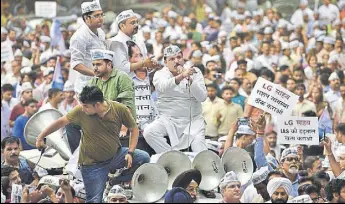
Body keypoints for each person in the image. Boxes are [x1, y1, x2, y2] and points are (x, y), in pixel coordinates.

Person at [35, 86, 150, 202]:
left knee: (143, 157)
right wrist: (40, 137)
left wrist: (130, 152)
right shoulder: (80, 110)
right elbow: (60, 122)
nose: (83, 108)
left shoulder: (119, 109)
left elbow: (133, 128)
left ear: (97, 104)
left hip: (116, 155)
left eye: (86, 106)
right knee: (94, 200)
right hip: (92, 165)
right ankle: (106, 181)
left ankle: (114, 181)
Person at [143, 45, 208, 153]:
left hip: (193, 121)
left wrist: (189, 79)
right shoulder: (160, 74)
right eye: (172, 59)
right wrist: (181, 76)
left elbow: (202, 97)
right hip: (168, 120)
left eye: (179, 57)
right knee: (149, 132)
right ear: (165, 61)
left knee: (199, 147)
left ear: (183, 58)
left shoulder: (194, 72)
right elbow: (164, 86)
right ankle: (172, 157)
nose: (176, 61)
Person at [69, 0, 106, 94]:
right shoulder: (79, 37)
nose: (101, 18)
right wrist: (97, 73)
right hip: (86, 87)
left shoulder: (100, 32)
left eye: (102, 15)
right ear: (87, 18)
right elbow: (76, 65)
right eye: (97, 16)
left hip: (101, 83)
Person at [108, 9, 158, 75]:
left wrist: (150, 65)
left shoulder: (139, 40)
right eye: (132, 23)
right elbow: (121, 68)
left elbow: (145, 61)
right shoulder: (115, 42)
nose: (136, 25)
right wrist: (143, 63)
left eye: (137, 22)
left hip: (143, 83)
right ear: (122, 26)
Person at [89, 49, 136, 118]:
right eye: (93, 65)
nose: (95, 68)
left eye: (98, 64)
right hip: (101, 122)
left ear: (109, 64)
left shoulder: (122, 77)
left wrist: (123, 128)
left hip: (120, 121)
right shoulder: (94, 81)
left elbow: (127, 107)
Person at [127, 41, 157, 130]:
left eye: (141, 55)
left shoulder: (150, 73)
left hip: (154, 121)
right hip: (137, 125)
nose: (141, 59)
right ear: (128, 59)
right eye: (136, 56)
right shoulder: (125, 78)